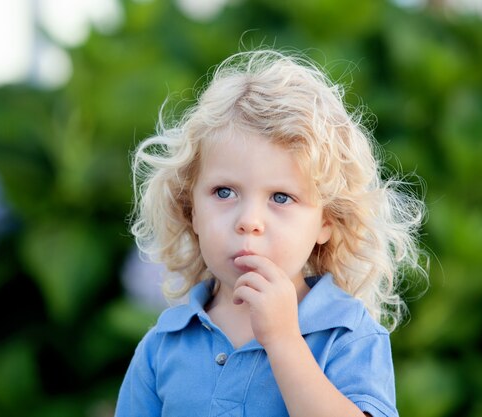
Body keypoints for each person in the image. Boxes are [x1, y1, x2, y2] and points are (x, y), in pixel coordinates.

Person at [115, 49, 426, 417]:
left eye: (281, 197)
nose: (249, 221)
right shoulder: (163, 346)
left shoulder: (348, 335)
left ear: (326, 221)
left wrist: (284, 341)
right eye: (224, 192)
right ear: (190, 210)